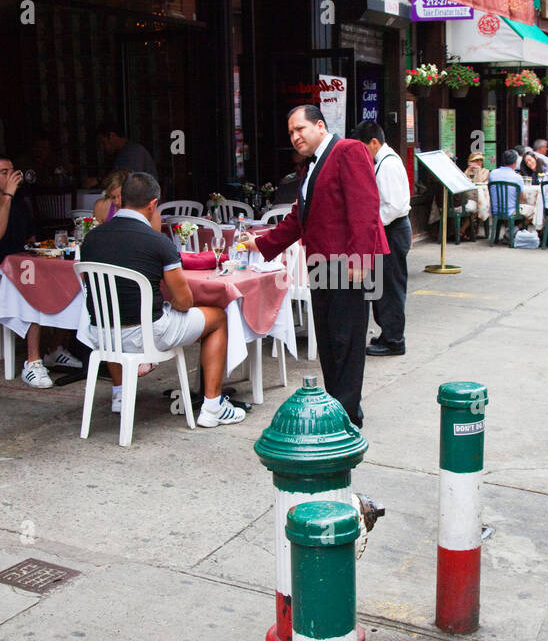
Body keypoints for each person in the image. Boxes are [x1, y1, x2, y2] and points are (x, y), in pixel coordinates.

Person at [243, 104, 387, 426]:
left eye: (300, 129)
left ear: (320, 126)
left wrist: (361, 258)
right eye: (291, 133)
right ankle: (338, 409)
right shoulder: (311, 167)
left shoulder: (348, 150)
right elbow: (299, 218)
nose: (295, 137)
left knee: (346, 342)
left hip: (349, 262)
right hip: (322, 263)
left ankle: (347, 417)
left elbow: (365, 207)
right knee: (329, 340)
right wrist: (262, 243)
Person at [79, 171, 246, 425]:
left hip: (100, 334)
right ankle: (213, 408)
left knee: (115, 311)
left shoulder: (91, 238)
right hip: (146, 335)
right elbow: (185, 302)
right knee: (218, 318)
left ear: (122, 198)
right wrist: (169, 305)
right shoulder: (157, 241)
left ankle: (120, 394)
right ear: (153, 204)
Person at [0, 156, 80, 387]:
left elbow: (30, 241)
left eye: (13, 171)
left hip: (21, 270)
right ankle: (32, 363)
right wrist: (7, 196)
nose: (12, 176)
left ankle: (54, 348)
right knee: (32, 288)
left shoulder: (18, 204)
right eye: (4, 172)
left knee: (70, 283)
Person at [351, 121, 411, 356]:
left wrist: (370, 225)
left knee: (390, 288)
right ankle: (388, 333)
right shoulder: (383, 161)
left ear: (374, 142)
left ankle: (394, 340)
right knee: (381, 286)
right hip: (388, 228)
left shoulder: (388, 164)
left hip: (392, 229)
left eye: (363, 147)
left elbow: (392, 206)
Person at [93, 170, 163, 230]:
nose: (116, 202)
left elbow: (155, 240)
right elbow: (96, 236)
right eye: (113, 197)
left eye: (121, 196)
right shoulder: (101, 207)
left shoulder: (151, 214)